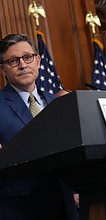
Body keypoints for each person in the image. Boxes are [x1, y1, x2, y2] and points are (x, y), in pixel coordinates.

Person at [0, 34, 78, 220]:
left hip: (66, 204)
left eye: (28, 57)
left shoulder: (57, 102)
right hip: (19, 208)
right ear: (3, 69)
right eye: (13, 61)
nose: (23, 65)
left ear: (38, 60)